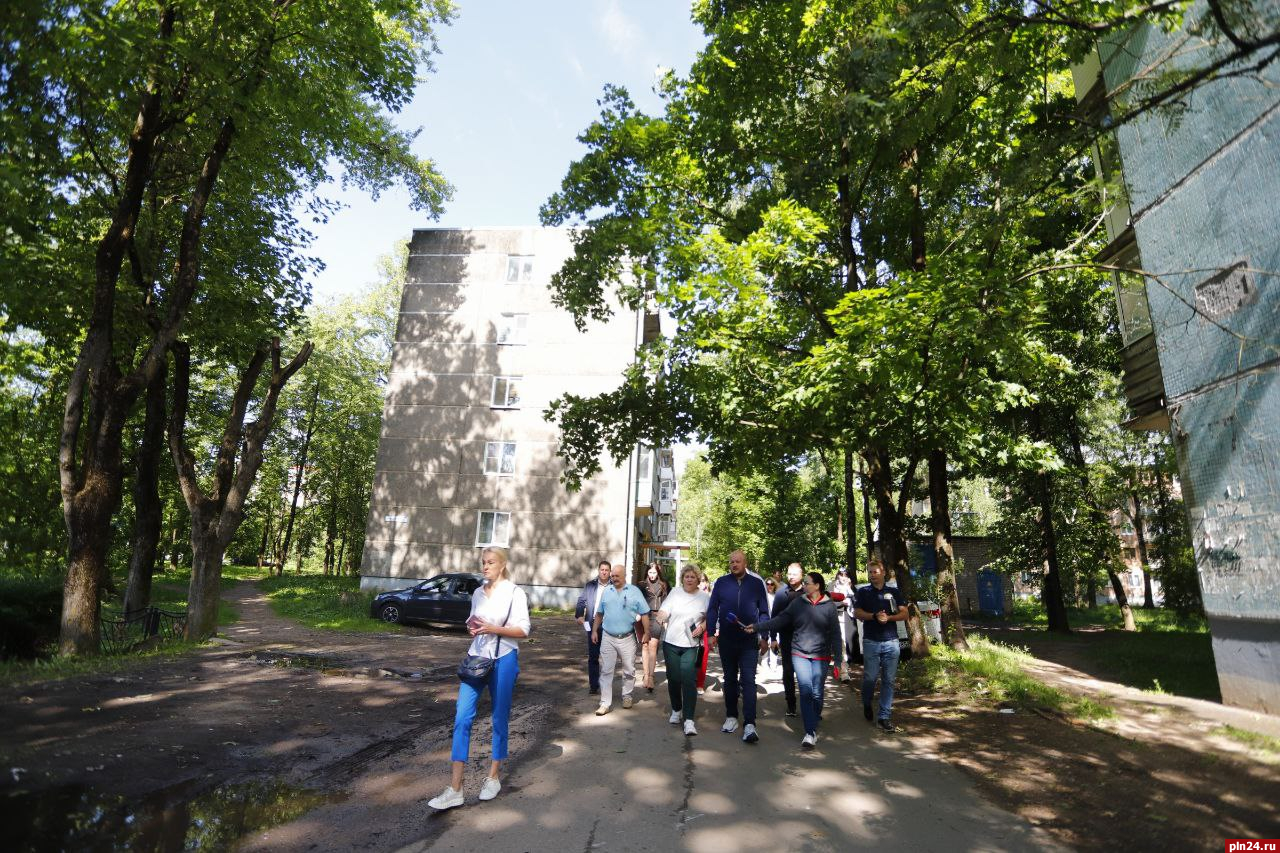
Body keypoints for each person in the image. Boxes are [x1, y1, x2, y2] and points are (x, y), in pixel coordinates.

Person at [429, 547, 530, 810]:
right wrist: (473, 626)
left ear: (502, 565)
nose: (485, 566)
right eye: (483, 562)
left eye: (490, 562)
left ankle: (493, 776)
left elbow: (523, 630)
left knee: (499, 716)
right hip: (476, 659)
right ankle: (455, 788)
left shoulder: (515, 593)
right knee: (462, 717)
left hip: (504, 658)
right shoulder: (477, 592)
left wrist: (493, 628)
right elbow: (474, 623)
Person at [745, 570, 841, 748]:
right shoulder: (798, 603)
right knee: (805, 690)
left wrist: (839, 660)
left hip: (821, 654)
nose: (804, 585)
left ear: (817, 586)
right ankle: (810, 732)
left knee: (817, 692)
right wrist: (758, 627)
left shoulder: (829, 606)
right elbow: (780, 619)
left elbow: (836, 633)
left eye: (807, 583)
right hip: (799, 652)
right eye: (804, 582)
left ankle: (813, 718)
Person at [705, 549, 770, 744]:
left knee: (749, 680)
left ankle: (750, 723)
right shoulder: (721, 583)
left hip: (749, 641)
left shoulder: (756, 584)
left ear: (745, 563)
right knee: (730, 679)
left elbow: (764, 612)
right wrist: (710, 633)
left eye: (738, 561)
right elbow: (712, 609)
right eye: (731, 562)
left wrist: (764, 635)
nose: (734, 565)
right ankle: (731, 716)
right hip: (726, 640)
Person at [653, 564, 710, 736]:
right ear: (682, 578)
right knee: (674, 679)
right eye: (687, 576)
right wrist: (661, 617)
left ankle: (689, 720)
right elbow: (664, 610)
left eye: (693, 577)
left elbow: (711, 618)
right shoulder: (675, 592)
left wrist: (702, 628)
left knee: (689, 681)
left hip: (691, 646)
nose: (690, 579)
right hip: (671, 642)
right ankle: (676, 709)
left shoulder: (704, 597)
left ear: (698, 579)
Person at [854, 558, 908, 733]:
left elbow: (905, 613)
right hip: (871, 641)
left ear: (883, 572)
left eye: (875, 571)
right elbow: (857, 613)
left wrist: (889, 618)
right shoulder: (863, 592)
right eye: (870, 572)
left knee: (889, 681)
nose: (872, 575)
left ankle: (884, 717)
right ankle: (867, 701)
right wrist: (874, 616)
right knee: (870, 678)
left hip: (891, 641)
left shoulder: (893, 592)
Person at [591, 563, 650, 715]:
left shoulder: (634, 591)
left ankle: (627, 695)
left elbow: (644, 613)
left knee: (629, 670)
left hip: (627, 638)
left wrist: (647, 632)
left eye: (617, 576)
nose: (614, 578)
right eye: (613, 576)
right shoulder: (607, 591)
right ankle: (604, 703)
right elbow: (599, 613)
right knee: (606, 670)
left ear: (624, 576)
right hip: (608, 637)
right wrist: (594, 631)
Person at [769, 563, 804, 717]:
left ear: (801, 574)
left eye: (794, 574)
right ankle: (791, 703)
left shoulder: (808, 591)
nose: (791, 577)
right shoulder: (781, 593)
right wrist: (772, 638)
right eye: (789, 574)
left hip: (806, 638)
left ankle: (809, 705)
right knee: (788, 672)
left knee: (806, 675)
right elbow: (775, 616)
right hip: (787, 638)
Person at [574, 560, 612, 695]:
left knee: (608, 656)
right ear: (599, 570)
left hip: (609, 625)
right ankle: (594, 685)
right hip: (592, 623)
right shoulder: (590, 586)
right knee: (593, 656)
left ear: (610, 572)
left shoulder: (614, 587)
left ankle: (606, 685)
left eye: (606, 570)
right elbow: (581, 601)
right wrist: (579, 615)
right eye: (602, 569)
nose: (604, 572)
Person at [638, 563, 670, 693]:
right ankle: (645, 675)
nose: (652, 575)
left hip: (657, 617)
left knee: (653, 646)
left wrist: (664, 620)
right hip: (644, 616)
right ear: (647, 573)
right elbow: (636, 601)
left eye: (654, 573)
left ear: (658, 573)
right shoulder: (640, 585)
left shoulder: (664, 585)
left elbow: (667, 602)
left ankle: (651, 676)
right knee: (645, 645)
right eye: (650, 573)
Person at [830, 568, 855, 682]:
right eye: (841, 574)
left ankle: (841, 668)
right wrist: (841, 603)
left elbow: (856, 601)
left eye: (846, 574)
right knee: (841, 645)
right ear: (838, 575)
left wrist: (849, 587)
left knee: (848, 645)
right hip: (836, 618)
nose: (843, 577)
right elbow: (827, 602)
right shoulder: (832, 586)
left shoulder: (850, 587)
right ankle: (843, 672)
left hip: (849, 618)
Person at [695, 571, 712, 694]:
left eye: (703, 581)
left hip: (706, 630)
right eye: (700, 581)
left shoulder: (711, 596)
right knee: (691, 656)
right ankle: (689, 680)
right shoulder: (692, 594)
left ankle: (700, 684)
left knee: (703, 655)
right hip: (691, 629)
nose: (702, 583)